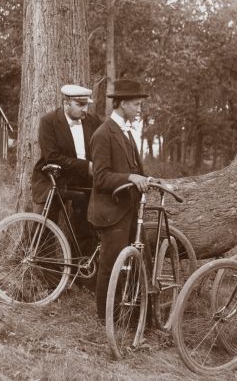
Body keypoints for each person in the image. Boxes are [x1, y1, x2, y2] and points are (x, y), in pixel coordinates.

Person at [88, 78, 153, 321]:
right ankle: (106, 320)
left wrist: (146, 179)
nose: (139, 110)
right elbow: (101, 178)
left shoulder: (126, 132)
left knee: (140, 262)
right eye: (136, 105)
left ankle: (137, 318)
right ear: (123, 104)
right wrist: (130, 177)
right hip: (111, 212)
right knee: (110, 266)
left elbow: (135, 168)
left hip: (130, 210)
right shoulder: (103, 134)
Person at [31, 84, 102, 259]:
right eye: (80, 105)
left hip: (83, 182)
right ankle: (47, 274)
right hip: (53, 179)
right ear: (66, 103)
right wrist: (86, 166)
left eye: (87, 105)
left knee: (87, 226)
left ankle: (82, 272)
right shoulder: (48, 121)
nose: (85, 110)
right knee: (44, 226)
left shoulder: (93, 121)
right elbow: (52, 156)